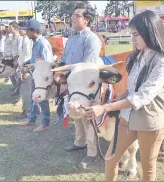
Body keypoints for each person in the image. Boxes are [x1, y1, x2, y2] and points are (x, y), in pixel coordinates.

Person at [85, 10, 164, 181]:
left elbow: (143, 96)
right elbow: (132, 90)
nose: (132, 39)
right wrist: (113, 99)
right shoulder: (135, 57)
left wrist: (105, 107)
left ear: (149, 32)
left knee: (148, 169)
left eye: (136, 34)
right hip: (126, 119)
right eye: (131, 34)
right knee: (110, 160)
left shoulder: (161, 61)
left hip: (149, 123)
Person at [56, 3, 102, 168]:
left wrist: (67, 73)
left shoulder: (92, 39)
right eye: (73, 15)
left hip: (86, 85)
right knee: (75, 114)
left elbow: (87, 67)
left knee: (87, 117)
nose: (73, 18)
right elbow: (65, 59)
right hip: (73, 82)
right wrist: (57, 67)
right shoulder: (72, 38)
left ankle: (92, 153)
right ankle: (79, 142)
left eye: (77, 15)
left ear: (87, 20)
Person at [20, 19, 53, 132]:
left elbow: (46, 63)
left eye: (27, 30)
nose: (25, 32)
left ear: (33, 31)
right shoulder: (36, 42)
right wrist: (27, 63)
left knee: (42, 99)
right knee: (33, 97)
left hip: (41, 78)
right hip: (36, 75)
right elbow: (35, 59)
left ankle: (45, 123)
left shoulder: (43, 43)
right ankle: (32, 119)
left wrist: (28, 67)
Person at [15, 21, 33, 120]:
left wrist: (23, 68)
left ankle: (28, 112)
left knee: (27, 92)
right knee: (25, 91)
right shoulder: (23, 39)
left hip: (27, 69)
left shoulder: (27, 40)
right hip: (23, 67)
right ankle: (28, 111)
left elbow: (27, 56)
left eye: (20, 29)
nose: (19, 30)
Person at [9, 21, 23, 97]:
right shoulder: (12, 38)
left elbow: (19, 51)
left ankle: (20, 95)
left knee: (19, 77)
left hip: (18, 60)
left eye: (10, 28)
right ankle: (16, 89)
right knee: (12, 75)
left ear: (16, 28)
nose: (9, 29)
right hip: (12, 58)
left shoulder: (19, 38)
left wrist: (16, 60)